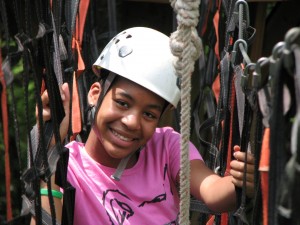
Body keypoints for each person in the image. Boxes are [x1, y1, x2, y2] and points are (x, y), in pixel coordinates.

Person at [32, 27, 255, 225]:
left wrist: (241, 183)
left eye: (148, 114)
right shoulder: (67, 166)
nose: (131, 122)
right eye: (122, 103)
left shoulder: (167, 147)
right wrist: (49, 151)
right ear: (95, 94)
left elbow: (213, 192)